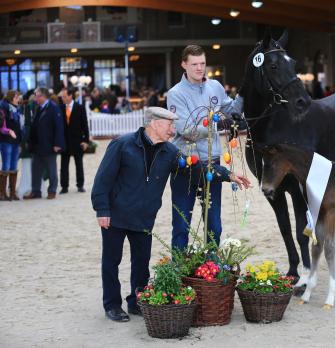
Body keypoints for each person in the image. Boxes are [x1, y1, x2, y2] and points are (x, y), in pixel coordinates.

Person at [91, 107, 250, 322]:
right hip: (116, 215)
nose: (173, 130)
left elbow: (198, 168)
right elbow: (103, 179)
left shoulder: (170, 152)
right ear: (154, 123)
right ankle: (112, 305)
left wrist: (228, 175)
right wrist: (102, 209)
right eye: (170, 125)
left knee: (141, 262)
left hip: (144, 217)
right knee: (111, 261)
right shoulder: (122, 145)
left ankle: (136, 301)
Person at [167, 44, 244, 250]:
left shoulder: (215, 87)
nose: (200, 68)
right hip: (185, 164)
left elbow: (232, 109)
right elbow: (186, 129)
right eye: (194, 64)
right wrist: (218, 123)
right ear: (184, 65)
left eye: (202, 63)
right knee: (182, 223)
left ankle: (212, 269)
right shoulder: (175, 94)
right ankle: (178, 273)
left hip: (213, 162)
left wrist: (245, 92)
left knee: (214, 224)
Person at [24, 87, 64, 200]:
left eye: (38, 95)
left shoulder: (53, 108)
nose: (36, 98)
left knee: (51, 169)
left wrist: (57, 144)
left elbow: (59, 127)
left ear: (44, 96)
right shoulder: (39, 107)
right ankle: (36, 191)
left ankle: (52, 190)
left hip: (50, 145)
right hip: (37, 145)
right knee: (35, 169)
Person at [59, 88, 90, 194]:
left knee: (79, 164)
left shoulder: (80, 108)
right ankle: (64, 186)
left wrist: (86, 141)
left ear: (70, 96)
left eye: (64, 96)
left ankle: (80, 185)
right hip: (64, 141)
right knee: (64, 165)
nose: (62, 98)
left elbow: (85, 126)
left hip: (77, 141)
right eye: (62, 96)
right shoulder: (60, 108)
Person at [0, 90, 23, 201]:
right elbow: (1, 126)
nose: (18, 98)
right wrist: (8, 131)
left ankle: (12, 192)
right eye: (16, 97)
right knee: (6, 165)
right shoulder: (3, 107)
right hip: (6, 140)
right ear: (11, 98)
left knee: (14, 166)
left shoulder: (17, 108)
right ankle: (2, 193)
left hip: (16, 141)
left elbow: (19, 126)